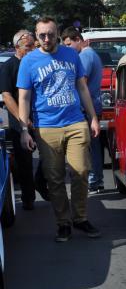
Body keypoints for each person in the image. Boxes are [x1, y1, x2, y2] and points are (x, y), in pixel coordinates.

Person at [17, 17, 101, 242]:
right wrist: (24, 129)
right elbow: (24, 98)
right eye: (42, 35)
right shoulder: (29, 61)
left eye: (51, 34)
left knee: (81, 172)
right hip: (46, 127)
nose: (46, 39)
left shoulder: (71, 55)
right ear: (36, 35)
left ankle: (80, 218)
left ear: (57, 34)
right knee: (54, 179)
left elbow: (82, 87)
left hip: (75, 122)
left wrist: (93, 118)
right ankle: (63, 223)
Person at [61, 27, 104, 194]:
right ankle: (96, 180)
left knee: (89, 147)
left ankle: (94, 180)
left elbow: (81, 83)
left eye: (69, 44)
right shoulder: (91, 54)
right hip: (92, 105)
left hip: (87, 107)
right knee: (93, 146)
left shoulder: (85, 56)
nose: (67, 48)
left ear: (78, 39)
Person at [0, 30, 37, 210]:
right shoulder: (8, 67)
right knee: (25, 161)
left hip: (41, 117)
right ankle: (28, 198)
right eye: (28, 46)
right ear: (17, 47)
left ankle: (41, 183)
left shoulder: (36, 63)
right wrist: (23, 120)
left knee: (52, 155)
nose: (32, 50)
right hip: (18, 121)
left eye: (33, 46)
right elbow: (7, 96)